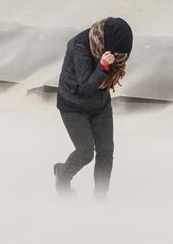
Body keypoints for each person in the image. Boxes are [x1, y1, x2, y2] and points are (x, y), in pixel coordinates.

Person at [54, 17, 133, 198]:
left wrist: (108, 66)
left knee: (106, 151)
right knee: (85, 153)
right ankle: (63, 175)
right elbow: (86, 88)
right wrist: (103, 66)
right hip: (73, 106)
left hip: (100, 105)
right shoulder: (80, 47)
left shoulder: (107, 47)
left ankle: (100, 197)